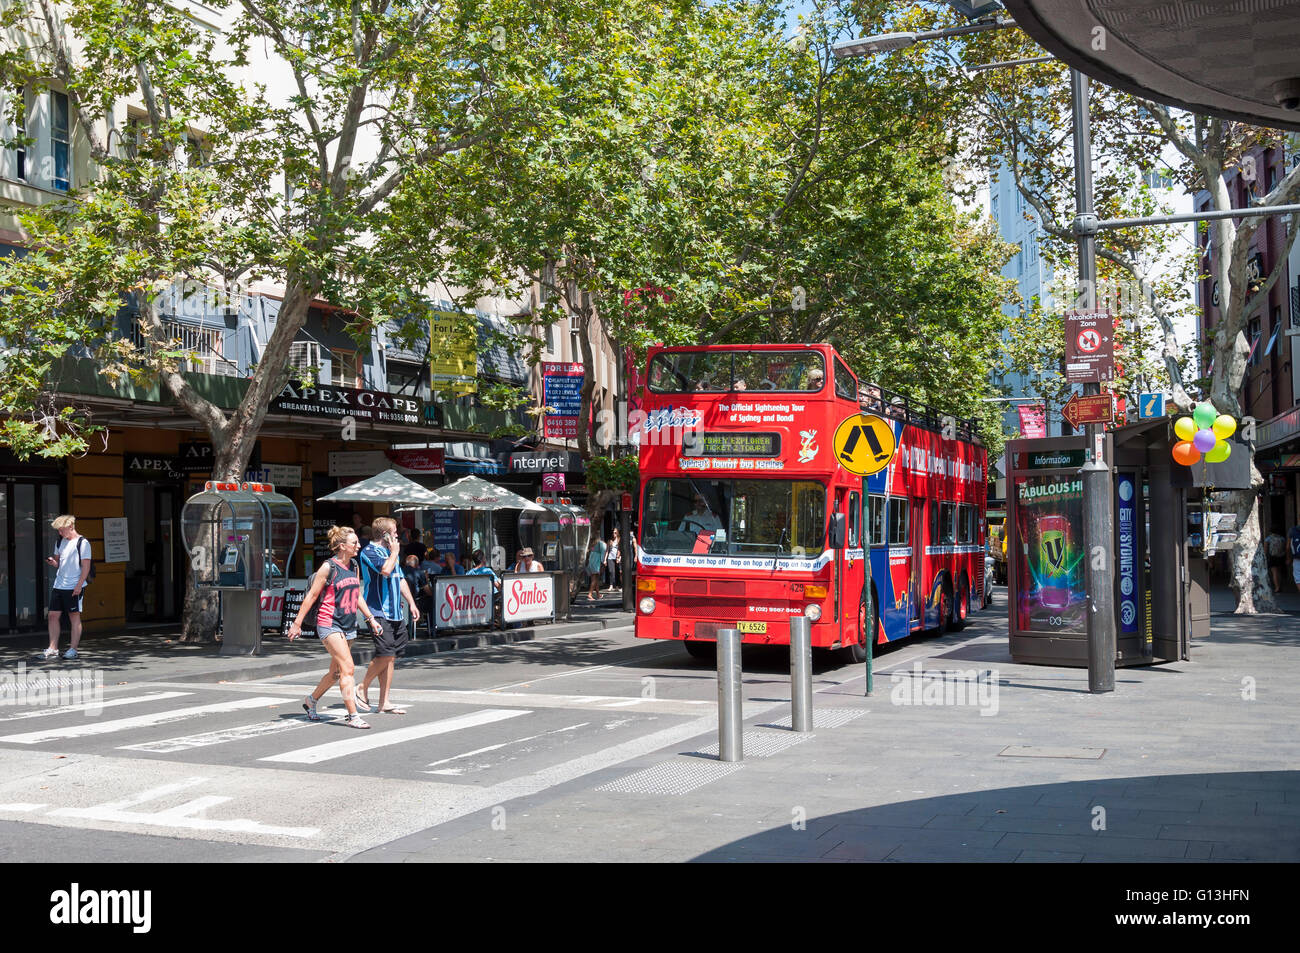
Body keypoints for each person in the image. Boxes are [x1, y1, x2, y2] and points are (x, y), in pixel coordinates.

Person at [288, 525, 383, 729]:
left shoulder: (354, 566)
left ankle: (311, 701)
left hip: (349, 624)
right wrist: (297, 623)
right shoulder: (328, 567)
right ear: (342, 546)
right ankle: (352, 715)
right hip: (329, 623)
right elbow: (312, 596)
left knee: (336, 673)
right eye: (354, 543)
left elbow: (357, 595)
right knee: (348, 668)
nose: (358, 545)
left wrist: (371, 619)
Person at [357, 517, 420, 715]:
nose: (397, 534)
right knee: (386, 653)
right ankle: (362, 686)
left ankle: (384, 701)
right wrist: (394, 553)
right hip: (377, 611)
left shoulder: (390, 553)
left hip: (396, 612)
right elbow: (385, 570)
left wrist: (411, 603)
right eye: (394, 531)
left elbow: (399, 578)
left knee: (391, 657)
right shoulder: (368, 551)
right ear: (384, 534)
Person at [43, 515, 92, 661]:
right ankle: (53, 648)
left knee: (74, 616)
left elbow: (86, 566)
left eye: (62, 530)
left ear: (71, 526)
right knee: (52, 616)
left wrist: (79, 585)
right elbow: (59, 563)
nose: (60, 533)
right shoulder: (60, 541)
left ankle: (73, 649)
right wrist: (53, 562)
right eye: (58, 530)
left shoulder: (83, 543)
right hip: (59, 584)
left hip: (74, 585)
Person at [403, 554, 433, 636]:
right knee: (431, 601)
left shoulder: (400, 571)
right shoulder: (419, 573)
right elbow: (428, 591)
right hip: (415, 602)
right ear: (416, 564)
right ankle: (432, 629)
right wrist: (426, 579)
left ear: (406, 563)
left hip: (401, 602)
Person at [586, 535, 607, 601]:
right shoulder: (602, 544)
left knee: (595, 578)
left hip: (592, 561)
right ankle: (590, 594)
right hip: (597, 562)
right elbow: (603, 554)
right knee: (594, 579)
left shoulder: (592, 545)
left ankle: (598, 594)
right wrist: (603, 562)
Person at [1266, 526, 1287, 592]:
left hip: (1272, 557)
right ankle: (1279, 586)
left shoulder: (1268, 538)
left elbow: (1265, 548)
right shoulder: (1282, 538)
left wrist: (1265, 556)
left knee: (1274, 572)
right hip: (1281, 556)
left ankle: (1276, 587)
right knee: (1279, 572)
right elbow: (1285, 547)